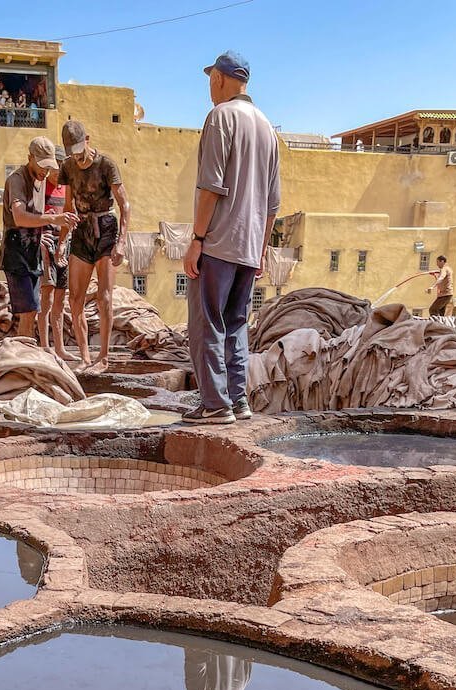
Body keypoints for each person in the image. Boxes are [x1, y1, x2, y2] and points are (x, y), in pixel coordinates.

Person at [183, 51, 280, 424]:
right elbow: (273, 203)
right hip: (249, 246)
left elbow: (211, 186)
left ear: (221, 79)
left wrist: (196, 238)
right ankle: (238, 401)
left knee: (207, 322)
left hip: (219, 241)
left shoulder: (220, 117)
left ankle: (215, 404)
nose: (209, 87)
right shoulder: (267, 127)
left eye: (210, 80)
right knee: (237, 324)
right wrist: (261, 248)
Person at [59, 119, 130, 371]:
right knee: (75, 299)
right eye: (72, 153)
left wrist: (121, 242)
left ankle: (104, 358)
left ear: (87, 140)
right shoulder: (67, 167)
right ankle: (85, 357)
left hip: (106, 228)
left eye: (79, 150)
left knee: (104, 297)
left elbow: (125, 205)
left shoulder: (106, 164)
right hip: (82, 230)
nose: (77, 157)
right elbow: (68, 207)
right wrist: (61, 242)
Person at [1, 137, 78, 338]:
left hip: (32, 251)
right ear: (30, 158)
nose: (45, 171)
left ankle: (24, 357)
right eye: (42, 166)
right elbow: (19, 217)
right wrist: (55, 219)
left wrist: (43, 233)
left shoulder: (39, 180)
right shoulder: (17, 179)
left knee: (32, 311)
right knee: (27, 311)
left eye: (48, 167)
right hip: (16, 250)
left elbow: (37, 216)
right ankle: (24, 358)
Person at [38, 149, 74, 360]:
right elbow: (32, 215)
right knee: (47, 296)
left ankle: (59, 347)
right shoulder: (41, 188)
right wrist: (38, 236)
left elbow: (70, 215)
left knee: (61, 296)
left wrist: (64, 243)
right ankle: (44, 345)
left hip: (63, 244)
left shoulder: (66, 189)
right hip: (45, 244)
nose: (56, 172)